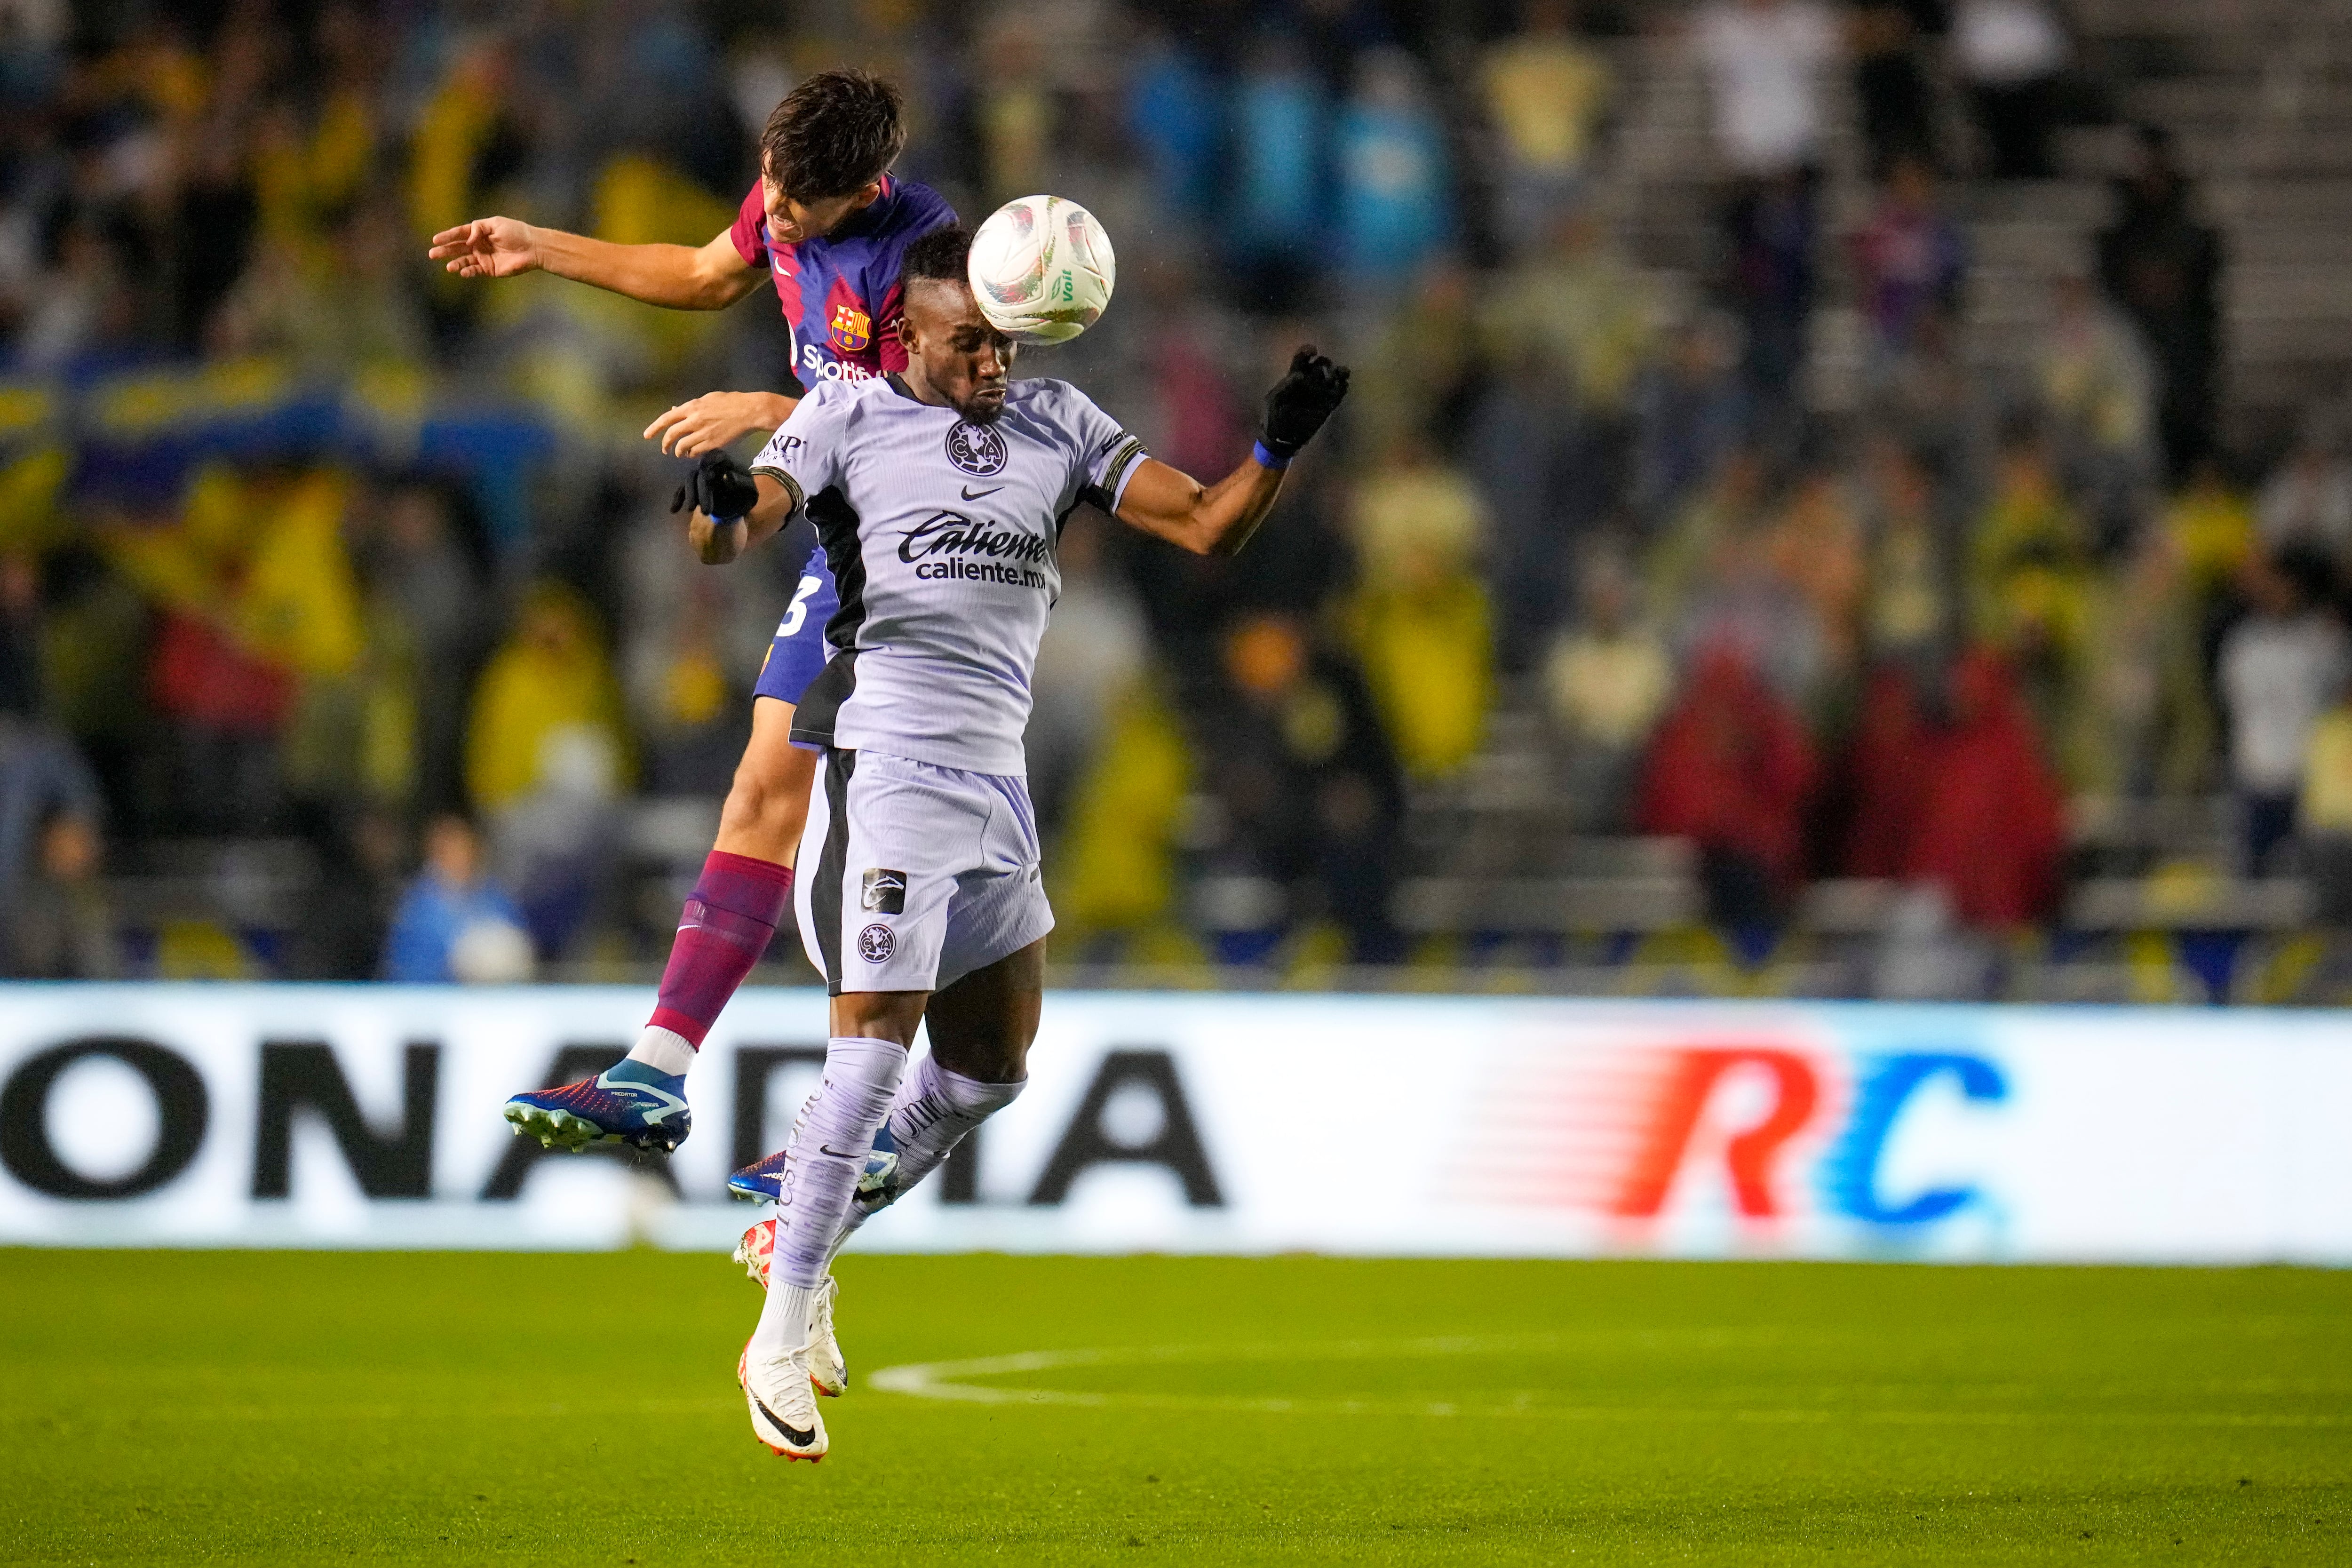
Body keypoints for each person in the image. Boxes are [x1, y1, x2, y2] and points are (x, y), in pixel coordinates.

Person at [681, 227, 1346, 1459]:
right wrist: (722, 511)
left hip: (999, 782)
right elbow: (748, 516)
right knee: (871, 1054)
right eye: (968, 340)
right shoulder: (847, 422)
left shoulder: (1059, 420)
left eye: (1004, 336)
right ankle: (778, 1328)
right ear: (912, 339)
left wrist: (1278, 446)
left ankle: (810, 1234)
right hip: (888, 766)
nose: (993, 358)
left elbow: (1204, 523)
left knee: (988, 1067)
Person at [430, 71, 959, 1154]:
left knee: (876, 836)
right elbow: (703, 272)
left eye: (796, 201)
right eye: (769, 181)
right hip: (847, 541)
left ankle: (870, 1126)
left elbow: (935, 436)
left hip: (928, 553)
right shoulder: (784, 194)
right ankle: (659, 1072)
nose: (772, 207)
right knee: (764, 785)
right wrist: (541, 246)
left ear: (865, 192)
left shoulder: (926, 261)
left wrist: (776, 410)